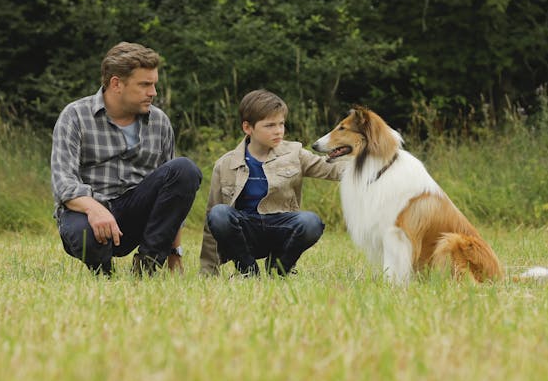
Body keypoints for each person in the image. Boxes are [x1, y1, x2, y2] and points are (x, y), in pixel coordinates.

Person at [51, 41, 202, 276]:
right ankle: (103, 271)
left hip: (136, 213)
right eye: (144, 85)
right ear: (116, 84)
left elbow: (173, 198)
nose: (153, 92)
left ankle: (148, 265)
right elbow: (64, 184)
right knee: (84, 233)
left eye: (154, 84)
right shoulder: (75, 116)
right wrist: (95, 209)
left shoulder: (160, 122)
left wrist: (175, 253)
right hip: (88, 214)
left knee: (184, 169)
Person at [199, 89, 344, 277]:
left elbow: (332, 168)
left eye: (281, 124)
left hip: (280, 228)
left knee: (310, 222)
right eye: (269, 125)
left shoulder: (295, 153)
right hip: (246, 232)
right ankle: (247, 271)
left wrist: (376, 165)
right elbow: (211, 223)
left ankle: (279, 270)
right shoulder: (225, 164)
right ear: (247, 128)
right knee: (219, 214)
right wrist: (208, 271)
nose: (278, 130)